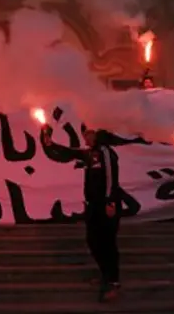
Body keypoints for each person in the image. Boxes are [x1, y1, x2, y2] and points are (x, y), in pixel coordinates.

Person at [41, 125, 122, 302]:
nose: (85, 137)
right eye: (84, 134)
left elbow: (111, 178)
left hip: (107, 206)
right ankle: (104, 274)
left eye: (88, 134)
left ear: (96, 134)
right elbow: (69, 152)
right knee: (92, 241)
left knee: (108, 244)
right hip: (93, 206)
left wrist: (110, 201)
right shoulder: (88, 154)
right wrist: (51, 144)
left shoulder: (106, 152)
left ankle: (113, 282)